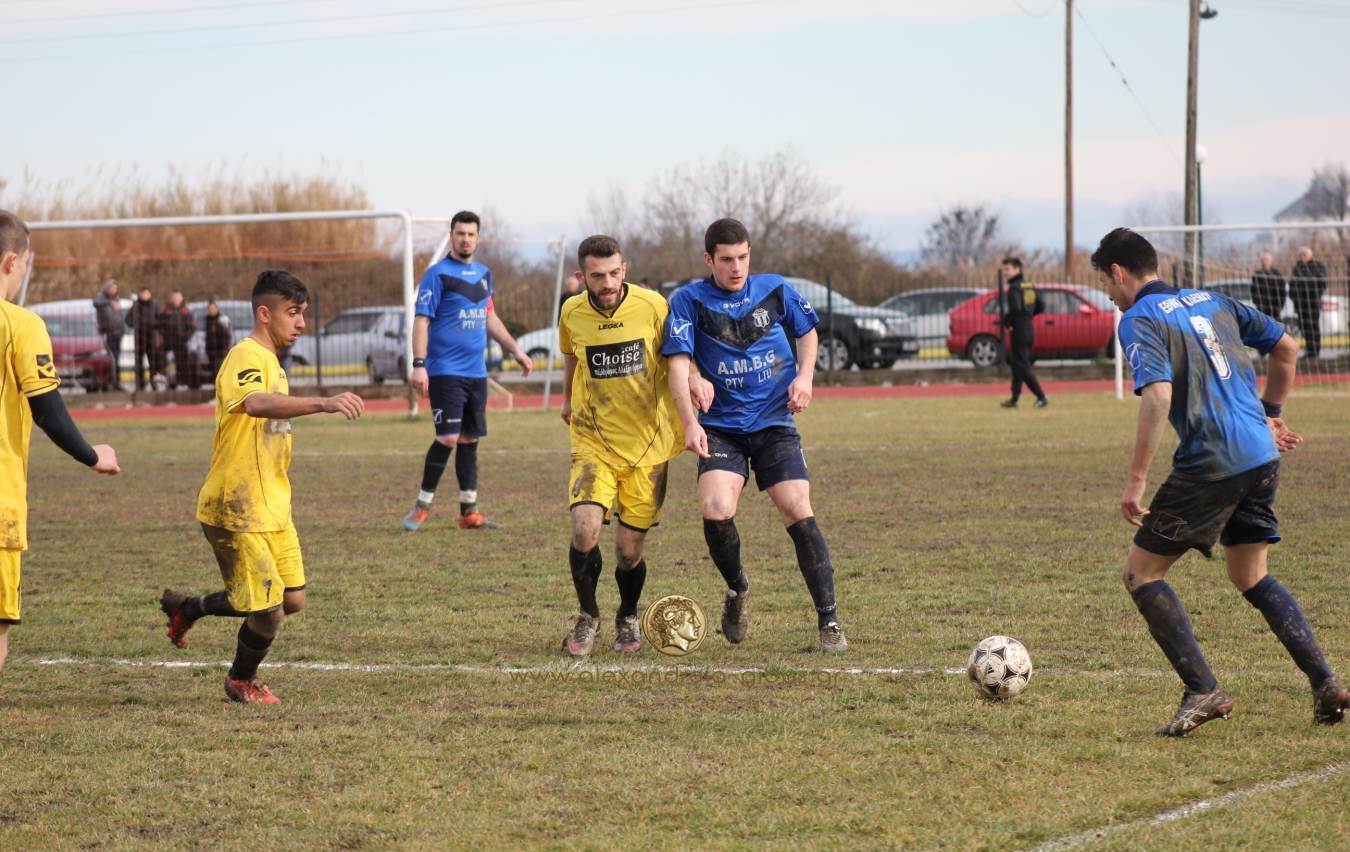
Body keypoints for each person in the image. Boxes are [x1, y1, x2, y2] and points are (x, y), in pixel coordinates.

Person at [1093, 226, 1349, 736]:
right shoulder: (1213, 300)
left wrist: (1136, 481)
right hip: (1261, 456)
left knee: (1141, 574)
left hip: (1211, 461)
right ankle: (1326, 683)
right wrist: (1270, 414)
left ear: (1118, 273)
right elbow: (1288, 348)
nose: (1108, 295)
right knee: (1250, 574)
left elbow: (1158, 395)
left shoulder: (1139, 318)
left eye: (1105, 283)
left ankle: (1203, 689)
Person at [158, 270, 364, 704]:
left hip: (271, 504)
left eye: (303, 313)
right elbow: (254, 403)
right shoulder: (246, 355)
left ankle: (189, 607)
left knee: (292, 599)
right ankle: (241, 679)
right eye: (293, 312)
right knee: (268, 612)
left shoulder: (273, 363)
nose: (301, 322)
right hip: (236, 507)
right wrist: (323, 402)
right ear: (265, 314)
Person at [663, 218, 848, 653]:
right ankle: (737, 587)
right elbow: (677, 362)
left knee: (797, 507)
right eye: (727, 259)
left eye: (743, 257)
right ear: (709, 260)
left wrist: (805, 377)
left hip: (773, 422)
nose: (736, 267)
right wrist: (690, 420)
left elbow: (808, 331)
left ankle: (829, 619)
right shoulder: (689, 300)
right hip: (720, 427)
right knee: (716, 508)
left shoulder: (775, 289)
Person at [557, 235, 708, 656]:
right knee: (584, 528)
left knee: (628, 552)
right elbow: (571, 355)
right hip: (593, 440)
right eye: (596, 275)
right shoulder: (571, 311)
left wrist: (695, 377)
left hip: (648, 446)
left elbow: (679, 354)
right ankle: (588, 615)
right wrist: (567, 399)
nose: (606, 283)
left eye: (613, 273)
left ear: (624, 269)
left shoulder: (653, 306)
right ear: (581, 276)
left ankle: (626, 615)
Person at [0, 210, 120, 674]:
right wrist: (92, 455)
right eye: (26, 262)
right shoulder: (20, 325)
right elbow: (47, 410)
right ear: (12, 261)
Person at [402, 211, 533, 532]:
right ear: (452, 236)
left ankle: (469, 512)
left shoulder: (484, 274)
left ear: (478, 238)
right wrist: (419, 364)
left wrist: (515, 350)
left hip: (477, 373)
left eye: (471, 234)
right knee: (448, 437)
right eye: (460, 233)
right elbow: (422, 320)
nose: (465, 239)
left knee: (470, 438)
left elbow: (489, 317)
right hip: (445, 370)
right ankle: (422, 507)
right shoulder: (437, 274)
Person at [998, 257, 1047, 409]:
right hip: (1028, 327)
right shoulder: (1028, 285)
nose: (1005, 272)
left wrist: (1007, 321)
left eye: (1008, 269)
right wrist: (1029, 315)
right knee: (1016, 363)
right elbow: (1041, 305)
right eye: (1004, 269)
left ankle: (1041, 396)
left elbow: (1015, 309)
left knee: (1022, 365)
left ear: (1017, 269)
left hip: (1019, 329)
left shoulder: (1014, 287)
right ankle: (1014, 399)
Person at [1289, 246, 1327, 359]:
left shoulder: (1318, 266)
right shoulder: (1297, 268)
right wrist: (1293, 296)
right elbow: (1292, 285)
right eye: (1301, 255)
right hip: (1300, 304)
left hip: (1313, 302)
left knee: (1313, 326)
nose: (1302, 257)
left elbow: (1322, 283)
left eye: (1304, 255)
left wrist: (1313, 292)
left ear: (1310, 255)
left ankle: (1315, 351)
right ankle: (1309, 350)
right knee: (1304, 326)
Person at [157, 289, 196, 388]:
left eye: (178, 297)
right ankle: (166, 382)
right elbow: (160, 326)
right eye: (174, 297)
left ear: (182, 298)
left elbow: (191, 328)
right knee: (166, 363)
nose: (176, 299)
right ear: (171, 299)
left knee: (182, 363)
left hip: (182, 343)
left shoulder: (186, 312)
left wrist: (185, 338)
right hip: (168, 343)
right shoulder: (166, 312)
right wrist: (165, 336)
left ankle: (182, 383)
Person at [125, 287, 161, 390]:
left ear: (150, 294)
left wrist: (155, 326)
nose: (144, 296)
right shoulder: (135, 306)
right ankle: (140, 384)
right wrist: (135, 325)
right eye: (143, 294)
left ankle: (153, 381)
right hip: (139, 336)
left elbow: (160, 319)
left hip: (151, 336)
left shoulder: (155, 306)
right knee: (139, 362)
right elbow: (127, 320)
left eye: (146, 294)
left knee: (152, 361)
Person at [92, 278, 123, 388]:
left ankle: (116, 381)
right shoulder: (101, 298)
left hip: (118, 332)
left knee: (117, 358)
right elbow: (96, 303)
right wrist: (110, 303)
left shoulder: (116, 298)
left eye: (116, 288)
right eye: (112, 288)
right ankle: (108, 381)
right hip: (107, 333)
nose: (114, 290)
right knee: (109, 357)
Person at [1250, 251, 1286, 322]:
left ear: (1271, 261)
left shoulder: (1277, 274)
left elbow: (1282, 292)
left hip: (1275, 307)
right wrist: (1257, 302)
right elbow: (1253, 290)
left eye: (1267, 260)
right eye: (1263, 260)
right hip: (1261, 307)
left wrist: (1280, 306)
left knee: (1275, 325)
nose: (1265, 262)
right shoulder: (1257, 275)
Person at [203, 299, 233, 383]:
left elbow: (227, 335)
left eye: (213, 308)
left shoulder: (222, 319)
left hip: (221, 350)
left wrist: (225, 348)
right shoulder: (208, 320)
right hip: (211, 350)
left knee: (220, 370)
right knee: (214, 371)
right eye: (209, 309)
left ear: (217, 309)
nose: (211, 310)